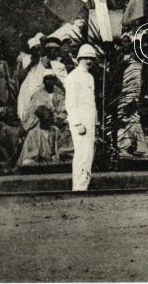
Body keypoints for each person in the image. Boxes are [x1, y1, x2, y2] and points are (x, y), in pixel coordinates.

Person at [64, 44, 98, 191]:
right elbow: (70, 102)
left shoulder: (90, 77)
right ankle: (79, 188)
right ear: (79, 59)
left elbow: (91, 101)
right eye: (86, 58)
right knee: (82, 155)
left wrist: (95, 122)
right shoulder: (73, 77)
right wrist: (77, 123)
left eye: (91, 58)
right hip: (80, 121)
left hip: (89, 120)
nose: (89, 61)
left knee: (88, 154)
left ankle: (84, 186)